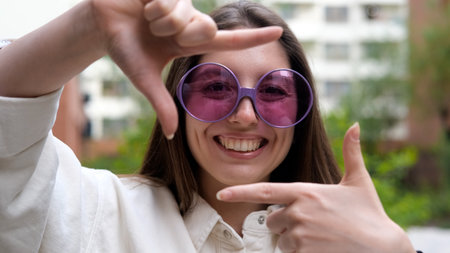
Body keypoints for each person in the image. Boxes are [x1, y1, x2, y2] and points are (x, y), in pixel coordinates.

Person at [0, 0, 419, 252]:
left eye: (274, 91)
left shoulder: (346, 242)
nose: (245, 115)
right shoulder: (100, 214)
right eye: (217, 86)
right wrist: (89, 25)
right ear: (178, 102)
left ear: (302, 113)